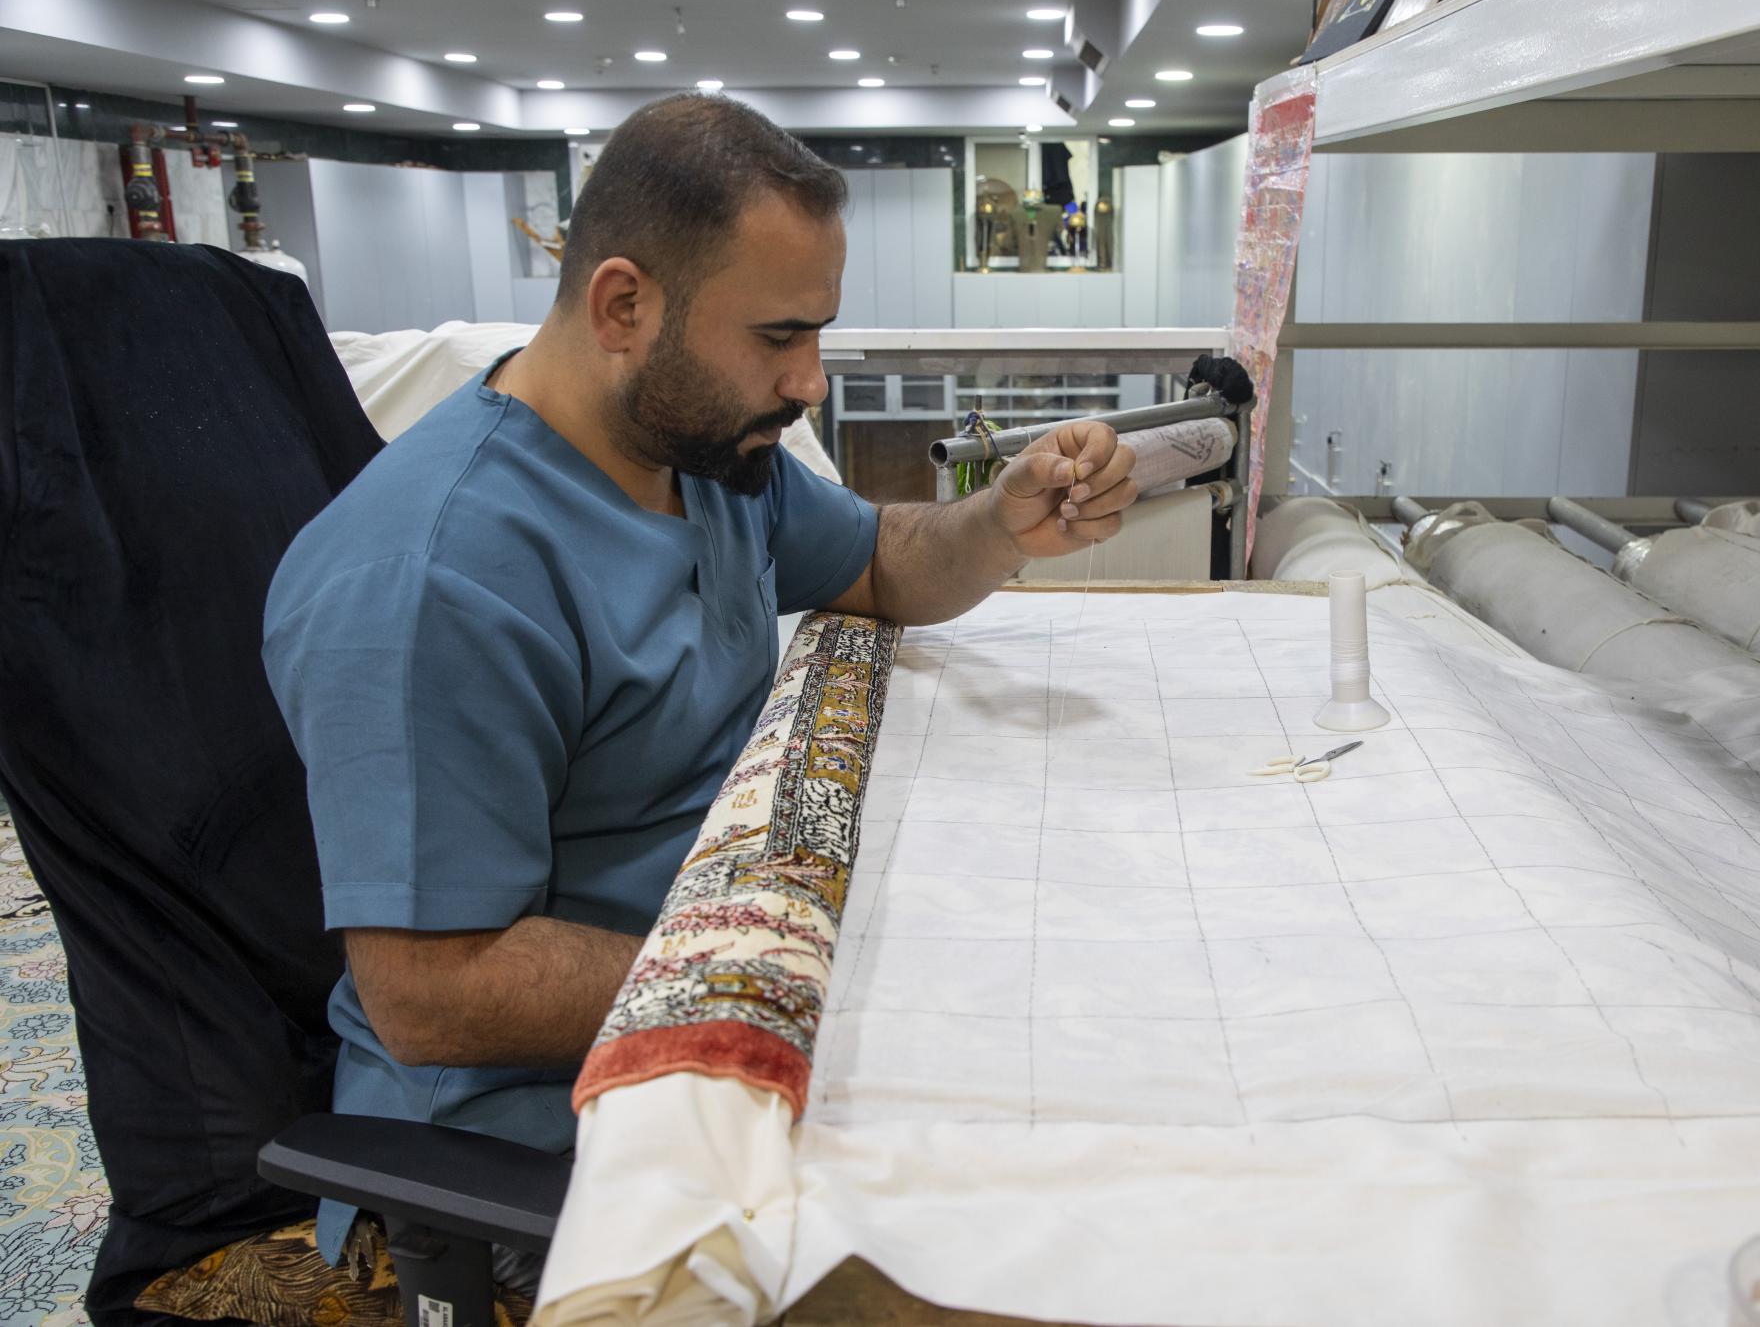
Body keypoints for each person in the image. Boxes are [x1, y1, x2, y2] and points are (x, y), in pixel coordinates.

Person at [261, 91, 1136, 1272]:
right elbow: (433, 993)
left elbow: (879, 561)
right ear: (623, 305)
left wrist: (1001, 523)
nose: (810, 381)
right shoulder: (431, 581)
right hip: (533, 1159)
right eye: (778, 336)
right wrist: (810, 972)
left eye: (818, 334)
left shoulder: (702, 457)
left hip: (719, 1004)